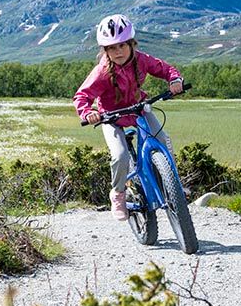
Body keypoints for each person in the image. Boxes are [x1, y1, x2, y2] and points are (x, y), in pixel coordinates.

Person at [73, 14, 183, 221]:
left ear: (132, 44)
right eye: (112, 48)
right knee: (120, 155)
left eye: (122, 45)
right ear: (105, 50)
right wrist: (88, 112)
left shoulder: (141, 60)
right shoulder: (102, 71)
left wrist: (174, 79)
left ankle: (173, 185)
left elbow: (165, 69)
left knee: (162, 140)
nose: (118, 51)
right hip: (110, 117)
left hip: (139, 109)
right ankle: (118, 194)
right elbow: (82, 95)